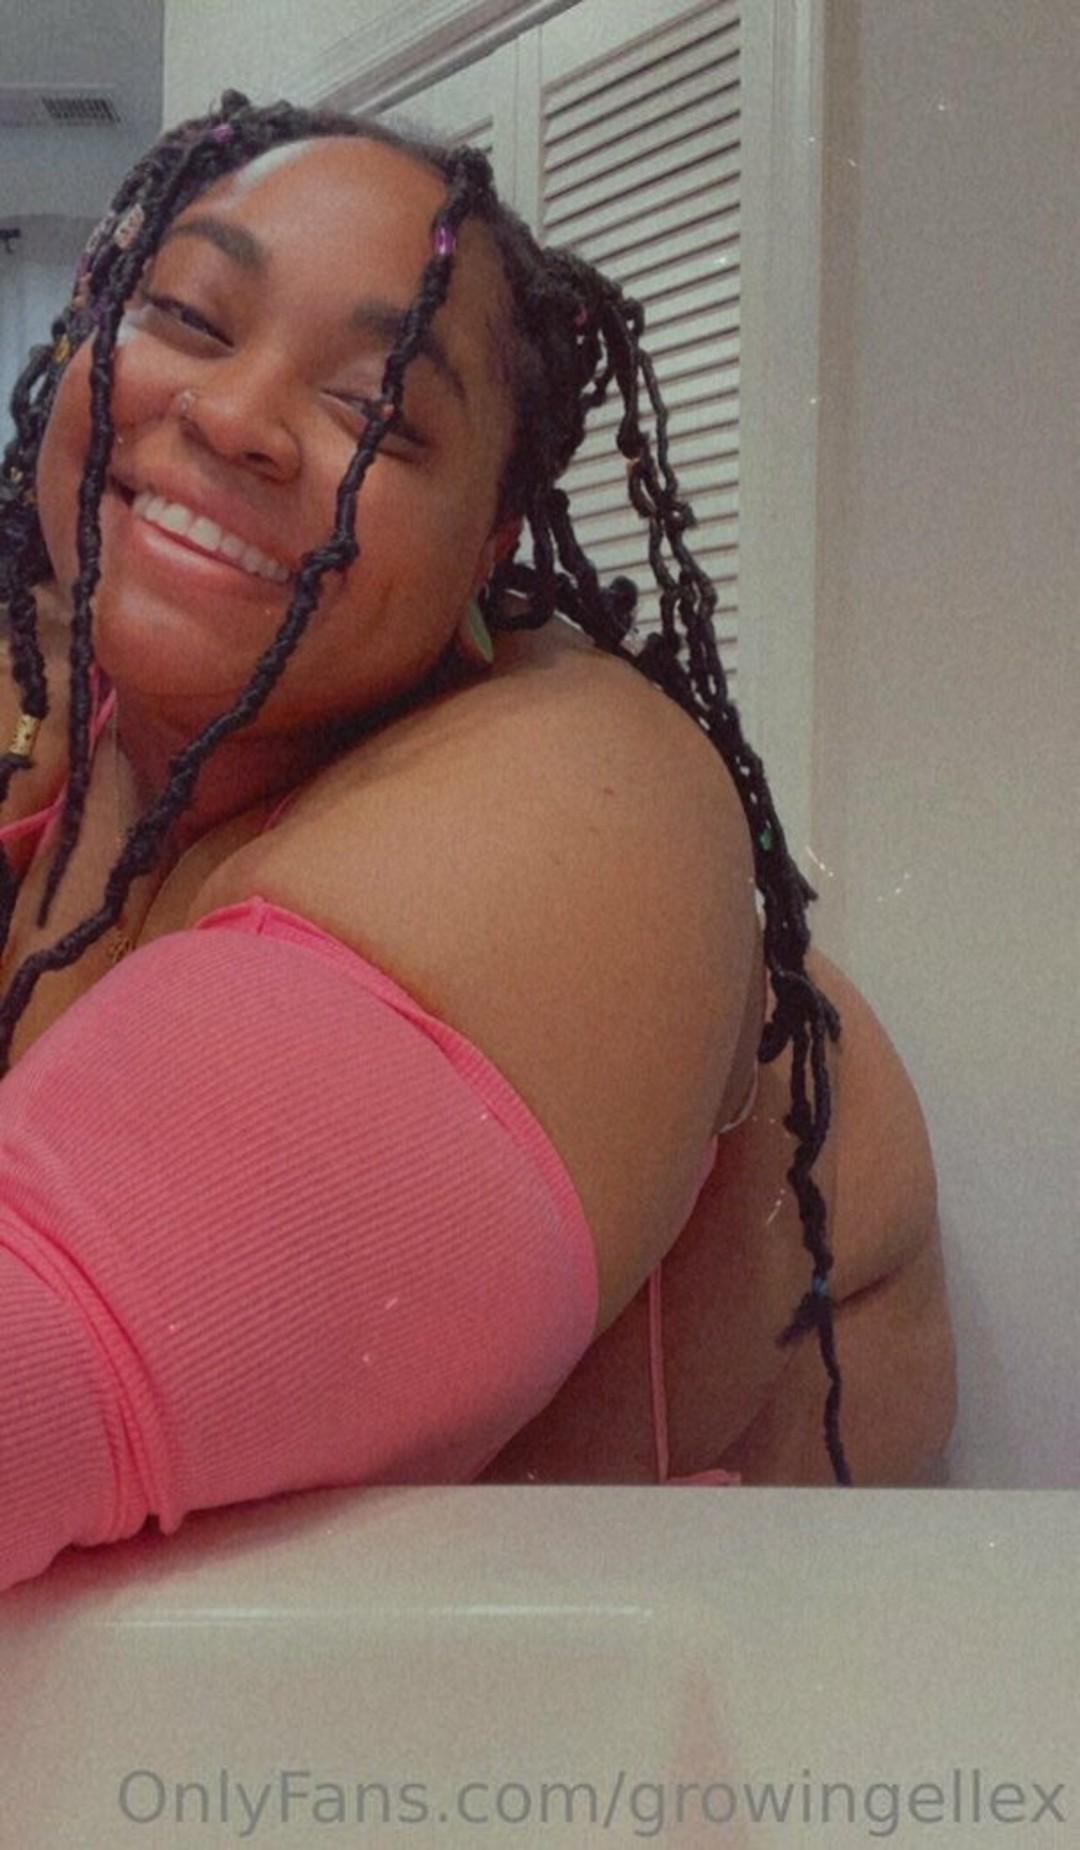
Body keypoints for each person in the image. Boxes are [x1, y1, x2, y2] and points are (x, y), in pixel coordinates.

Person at [0, 92, 955, 1592]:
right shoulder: (84, 711)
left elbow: (45, 1361)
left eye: (377, 413)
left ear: (489, 542)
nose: (234, 417)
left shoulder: (588, 811)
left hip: (706, 1702)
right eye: (187, 316)